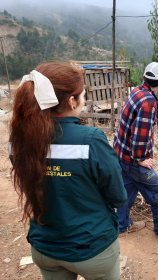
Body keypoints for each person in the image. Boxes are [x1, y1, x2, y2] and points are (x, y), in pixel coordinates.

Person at [9, 61, 127, 280]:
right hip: (92, 248)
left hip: (46, 248)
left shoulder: (20, 141)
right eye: (82, 95)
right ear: (72, 101)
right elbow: (118, 196)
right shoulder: (90, 141)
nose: (83, 99)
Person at [114, 62, 158, 246]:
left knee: (126, 190)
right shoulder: (148, 102)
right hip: (133, 158)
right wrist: (141, 159)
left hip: (121, 154)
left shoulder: (136, 91)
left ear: (144, 78)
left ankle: (121, 225)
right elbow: (140, 136)